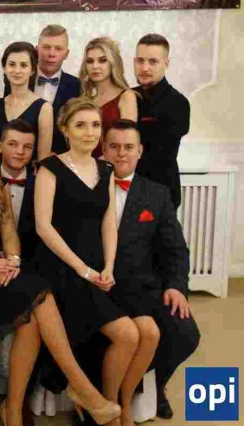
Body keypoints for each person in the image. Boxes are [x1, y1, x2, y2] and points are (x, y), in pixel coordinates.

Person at [0, 109, 121, 426]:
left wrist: (13, 261)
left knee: (34, 306)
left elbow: (9, 235)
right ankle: (82, 390)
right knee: (38, 295)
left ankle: (15, 410)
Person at [34, 98, 142, 426]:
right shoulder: (49, 168)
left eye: (95, 125)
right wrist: (82, 269)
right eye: (80, 125)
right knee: (126, 333)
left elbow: (109, 223)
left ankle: (105, 406)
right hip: (61, 268)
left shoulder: (105, 169)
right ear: (65, 130)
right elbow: (43, 227)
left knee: (131, 335)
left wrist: (108, 267)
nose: (89, 132)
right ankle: (101, 407)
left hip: (97, 269)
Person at [103, 119, 200, 420]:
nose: (121, 153)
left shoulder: (157, 194)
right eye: (114, 146)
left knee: (185, 333)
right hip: (99, 286)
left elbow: (176, 248)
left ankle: (154, 386)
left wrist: (176, 286)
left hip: (143, 286)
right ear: (104, 150)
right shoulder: (88, 188)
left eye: (128, 147)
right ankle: (106, 399)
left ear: (140, 151)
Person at [133, 34, 190, 209]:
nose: (145, 68)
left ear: (166, 63)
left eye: (153, 61)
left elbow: (158, 155)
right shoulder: (128, 96)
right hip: (127, 192)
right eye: (140, 61)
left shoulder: (178, 103)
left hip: (161, 194)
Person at [0, 42, 53, 160]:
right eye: (12, 64)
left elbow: (43, 159)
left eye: (23, 65)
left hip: (30, 172)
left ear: (33, 70)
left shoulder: (44, 108)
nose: (17, 70)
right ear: (4, 68)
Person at [78, 37, 138, 158]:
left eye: (102, 60)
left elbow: (126, 140)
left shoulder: (126, 96)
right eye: (90, 61)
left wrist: (99, 164)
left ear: (113, 62)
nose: (95, 66)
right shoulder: (85, 100)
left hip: (112, 164)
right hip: (84, 163)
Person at [0, 119, 40, 260]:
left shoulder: (41, 186)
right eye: (12, 144)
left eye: (27, 147)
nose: (20, 151)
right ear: (0, 147)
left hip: (31, 262)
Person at [34, 25, 80, 155]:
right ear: (37, 50)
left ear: (66, 54)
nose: (51, 54)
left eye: (58, 49)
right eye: (46, 47)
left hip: (62, 159)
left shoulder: (77, 85)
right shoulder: (22, 80)